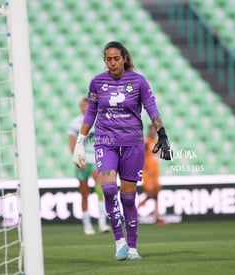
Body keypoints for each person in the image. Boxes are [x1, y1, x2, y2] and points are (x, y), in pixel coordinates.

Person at [73, 41, 172, 261]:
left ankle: (134, 248)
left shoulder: (138, 81)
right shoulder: (97, 82)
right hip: (105, 142)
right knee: (108, 190)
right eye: (108, 59)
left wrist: (162, 133)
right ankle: (119, 241)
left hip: (132, 144)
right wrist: (80, 141)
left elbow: (151, 108)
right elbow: (90, 113)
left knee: (128, 198)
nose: (112, 62)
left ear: (124, 58)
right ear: (104, 60)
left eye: (116, 58)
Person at [69, 98, 110, 235]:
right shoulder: (75, 122)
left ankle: (102, 223)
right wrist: (78, 158)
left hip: (95, 158)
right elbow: (72, 143)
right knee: (84, 193)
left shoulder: (99, 120)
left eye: (85, 106)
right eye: (81, 106)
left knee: (99, 188)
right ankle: (87, 224)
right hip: (82, 159)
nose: (83, 108)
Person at [138, 124, 166, 225]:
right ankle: (136, 209)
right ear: (149, 131)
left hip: (155, 173)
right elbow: (141, 155)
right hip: (147, 173)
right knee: (150, 194)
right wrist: (147, 168)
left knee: (156, 193)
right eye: (152, 130)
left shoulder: (156, 143)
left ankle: (157, 216)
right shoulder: (146, 142)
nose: (154, 132)